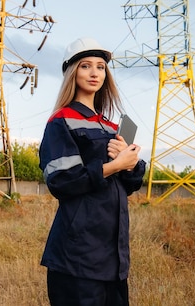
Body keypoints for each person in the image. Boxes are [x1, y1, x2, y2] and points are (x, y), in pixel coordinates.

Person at [39, 37, 146, 306]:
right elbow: (62, 182)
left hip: (114, 255)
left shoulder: (111, 127)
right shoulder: (60, 121)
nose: (95, 72)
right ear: (72, 72)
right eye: (86, 66)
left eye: (100, 67)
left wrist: (131, 161)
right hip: (77, 255)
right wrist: (114, 166)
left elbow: (129, 184)